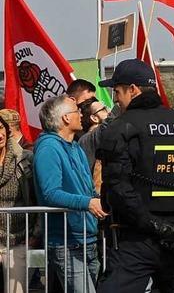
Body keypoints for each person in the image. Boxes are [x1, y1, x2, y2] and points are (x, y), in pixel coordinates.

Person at [96, 59, 174, 292]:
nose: (115, 99)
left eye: (117, 91)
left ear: (133, 90)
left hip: (135, 242)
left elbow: (118, 190)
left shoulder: (120, 128)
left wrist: (156, 226)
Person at [33, 95, 106, 292]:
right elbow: (50, 193)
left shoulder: (76, 147)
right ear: (65, 118)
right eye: (77, 111)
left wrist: (99, 201)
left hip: (87, 238)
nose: (81, 114)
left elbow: (88, 189)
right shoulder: (48, 148)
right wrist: (88, 203)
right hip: (65, 242)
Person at [0, 116, 38, 293]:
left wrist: (35, 235)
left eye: (1, 128)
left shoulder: (24, 158)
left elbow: (37, 198)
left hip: (18, 240)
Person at [78, 98, 110, 193]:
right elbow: (109, 122)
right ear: (94, 118)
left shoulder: (85, 139)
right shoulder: (90, 138)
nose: (108, 111)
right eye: (104, 109)